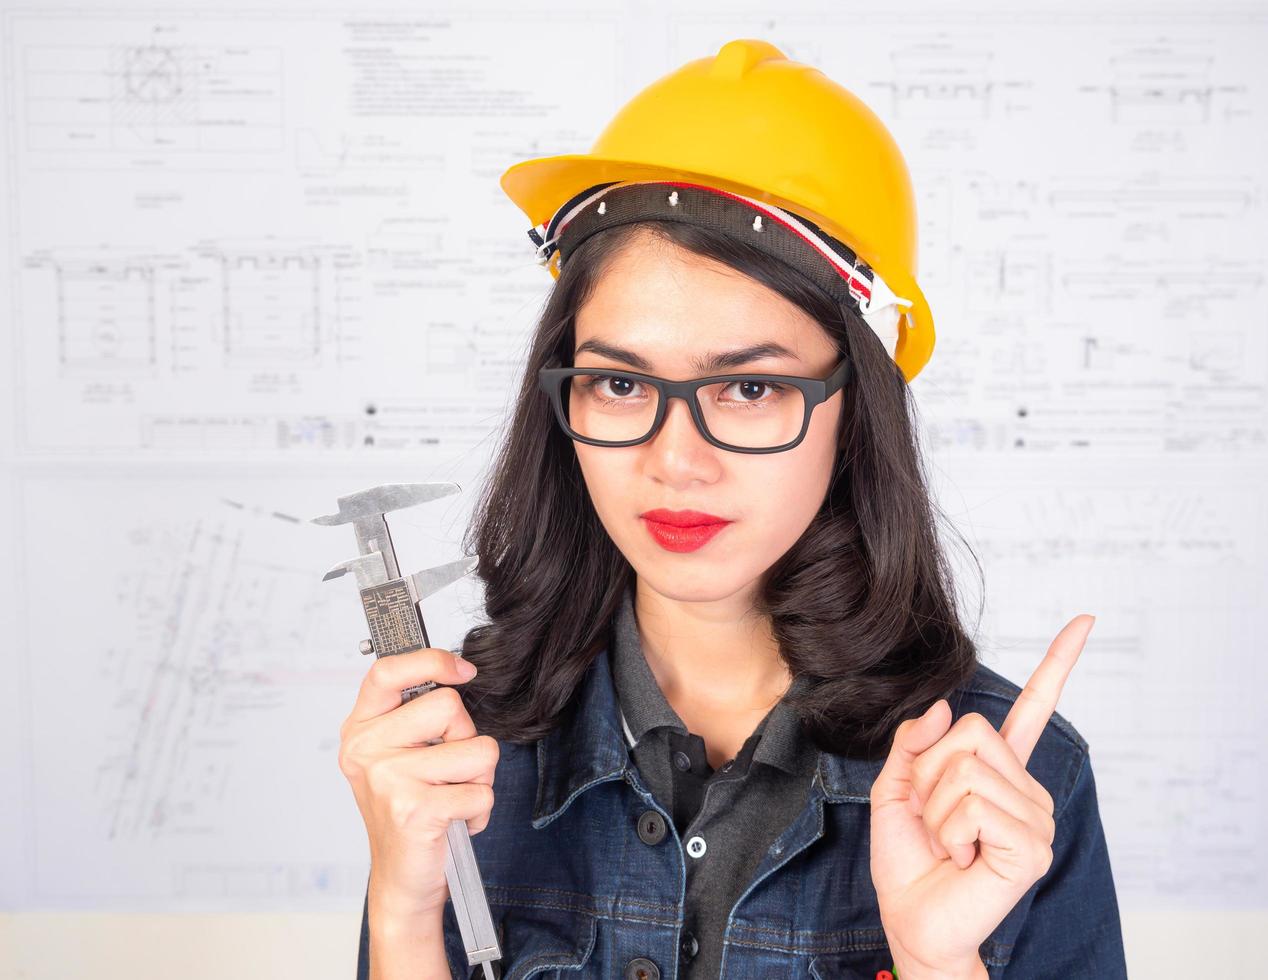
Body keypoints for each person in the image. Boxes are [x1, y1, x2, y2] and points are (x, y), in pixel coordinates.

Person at [340, 40, 1128, 980]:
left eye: (750, 389)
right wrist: (403, 909)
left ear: (855, 408)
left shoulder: (1005, 787)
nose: (677, 463)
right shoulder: (459, 757)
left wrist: (935, 961)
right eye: (621, 383)